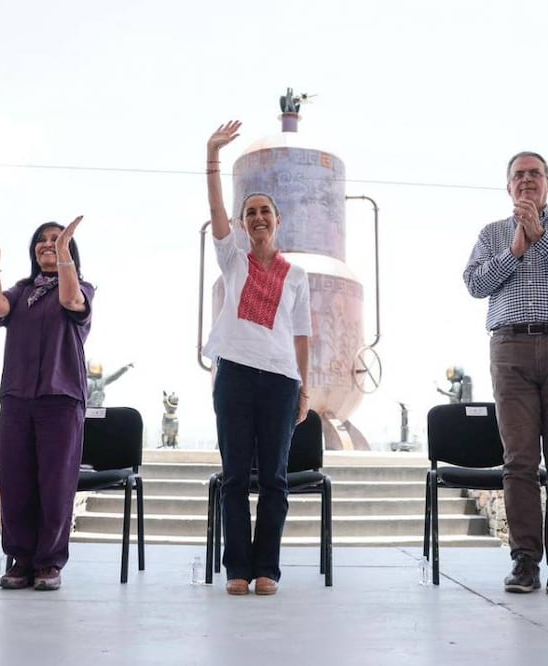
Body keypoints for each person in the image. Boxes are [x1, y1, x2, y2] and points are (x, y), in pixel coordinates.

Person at [462, 152, 548, 594]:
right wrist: (514, 251)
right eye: (518, 175)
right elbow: (475, 284)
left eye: (534, 174)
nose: (526, 180)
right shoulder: (491, 234)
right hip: (511, 347)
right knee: (519, 459)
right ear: (508, 187)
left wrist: (541, 238)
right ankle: (525, 559)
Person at [203, 120, 311, 596]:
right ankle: (237, 570)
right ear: (243, 224)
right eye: (251, 212)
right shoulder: (233, 259)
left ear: (278, 220)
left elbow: (303, 335)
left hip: (281, 382)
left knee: (273, 479)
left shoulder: (297, 275)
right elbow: (215, 209)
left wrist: (305, 388)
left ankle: (267, 568)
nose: (258, 218)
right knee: (233, 478)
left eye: (266, 211)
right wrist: (212, 157)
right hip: (235, 377)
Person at [0, 216, 93, 591]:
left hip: (60, 399)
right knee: (16, 482)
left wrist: (63, 258)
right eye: (42, 240)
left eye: (56, 239)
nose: (48, 243)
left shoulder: (81, 287)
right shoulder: (21, 291)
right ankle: (20, 560)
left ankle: (48, 563)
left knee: (55, 484)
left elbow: (70, 299)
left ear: (69, 248)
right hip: (17, 397)